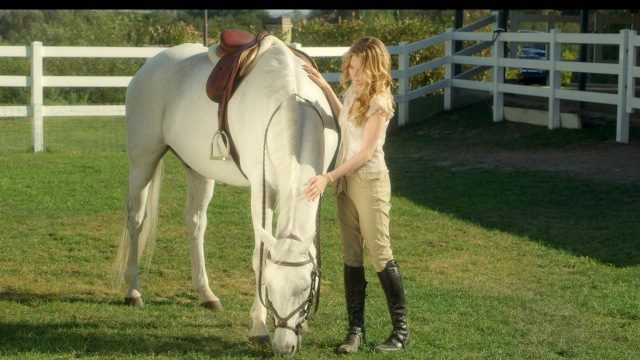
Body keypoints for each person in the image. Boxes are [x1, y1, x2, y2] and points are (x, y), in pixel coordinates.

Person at [302, 36, 409, 354]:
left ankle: (401, 332)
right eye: (351, 66)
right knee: (351, 256)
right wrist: (324, 85)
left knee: (379, 253)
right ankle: (355, 331)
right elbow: (342, 119)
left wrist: (328, 177)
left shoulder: (380, 100)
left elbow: (365, 152)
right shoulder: (352, 93)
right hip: (346, 184)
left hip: (370, 181)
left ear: (374, 67)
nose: (353, 71)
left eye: (359, 67)